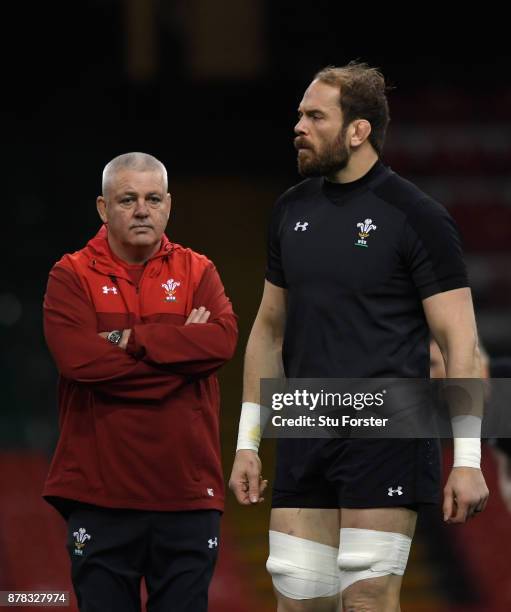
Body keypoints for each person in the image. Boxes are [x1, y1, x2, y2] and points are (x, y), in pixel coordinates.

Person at [229, 63, 489, 611]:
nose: (298, 125)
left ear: (358, 131)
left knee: (367, 599)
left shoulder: (418, 217)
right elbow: (267, 332)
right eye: (299, 114)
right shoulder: (289, 211)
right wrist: (247, 443)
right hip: (306, 428)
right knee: (298, 601)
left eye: (315, 116)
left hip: (387, 436)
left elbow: (458, 342)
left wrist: (466, 459)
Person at [43, 152, 238, 612]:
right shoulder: (70, 274)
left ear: (168, 204)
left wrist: (128, 341)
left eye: (153, 198)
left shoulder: (199, 271)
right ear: (102, 208)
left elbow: (222, 343)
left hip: (187, 495)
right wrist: (180, 354)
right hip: (98, 497)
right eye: (127, 199)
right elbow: (79, 363)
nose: (142, 210)